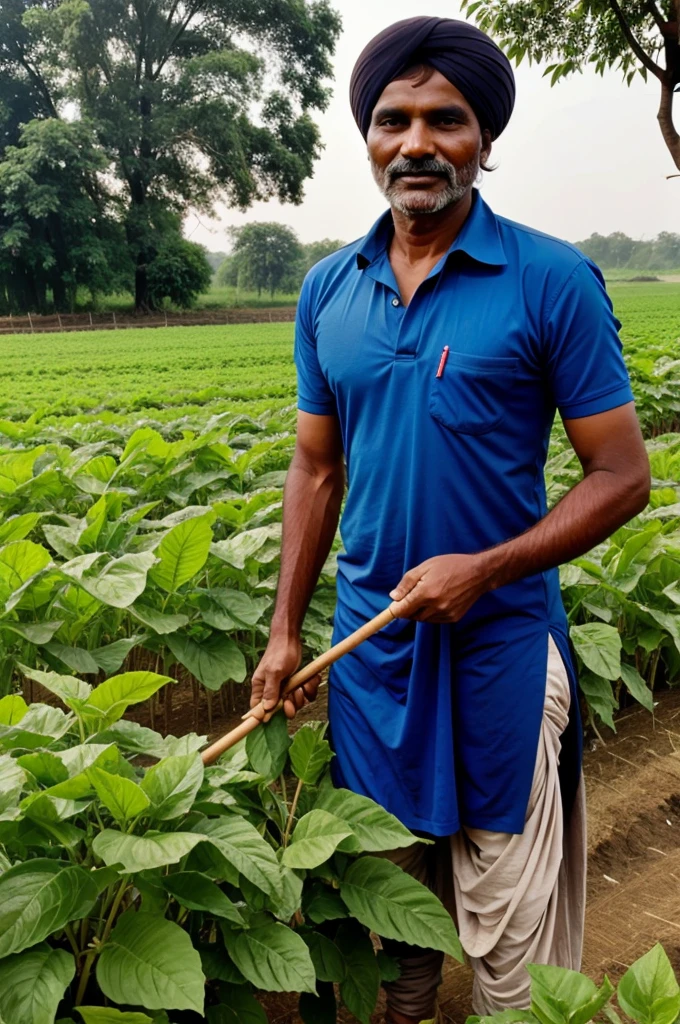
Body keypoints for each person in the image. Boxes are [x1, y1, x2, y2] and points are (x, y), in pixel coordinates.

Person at [250, 15, 651, 1023]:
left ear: (481, 139)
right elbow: (313, 465)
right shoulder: (327, 290)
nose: (416, 142)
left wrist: (485, 566)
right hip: (371, 651)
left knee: (504, 928)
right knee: (395, 909)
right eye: (394, 120)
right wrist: (284, 629)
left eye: (446, 120)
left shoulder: (547, 278)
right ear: (369, 137)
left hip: (499, 648)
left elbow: (620, 475)